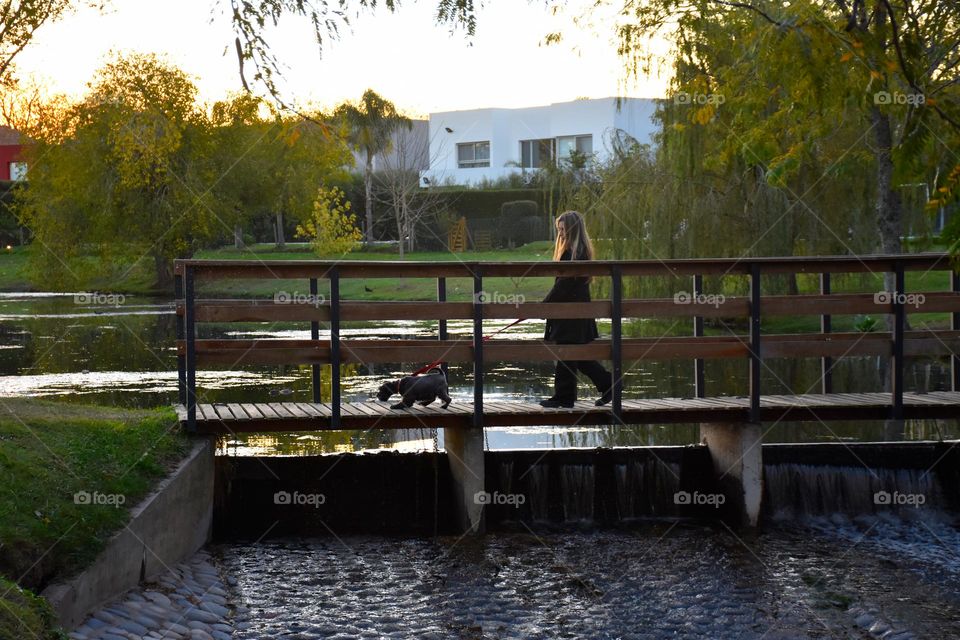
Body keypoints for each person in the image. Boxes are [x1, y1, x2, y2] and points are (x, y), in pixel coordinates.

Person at [540, 210, 613, 408]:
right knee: (575, 355)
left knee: (567, 353)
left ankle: (565, 397)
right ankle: (608, 384)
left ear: (571, 229)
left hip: (571, 313)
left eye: (563, 229)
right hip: (575, 312)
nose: (560, 233)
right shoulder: (578, 251)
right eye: (559, 229)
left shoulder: (574, 253)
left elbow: (563, 285)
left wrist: (544, 306)